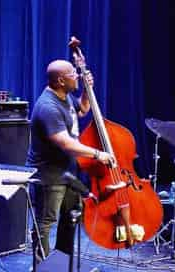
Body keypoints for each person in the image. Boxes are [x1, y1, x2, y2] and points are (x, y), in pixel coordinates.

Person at [26, 59, 113, 259]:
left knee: (70, 217)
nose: (78, 76)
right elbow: (65, 143)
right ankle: (42, 266)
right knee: (46, 223)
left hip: (67, 173)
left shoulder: (65, 96)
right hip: (49, 175)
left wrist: (86, 91)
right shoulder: (48, 106)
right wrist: (98, 154)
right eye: (73, 74)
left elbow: (82, 109)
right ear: (60, 80)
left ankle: (63, 263)